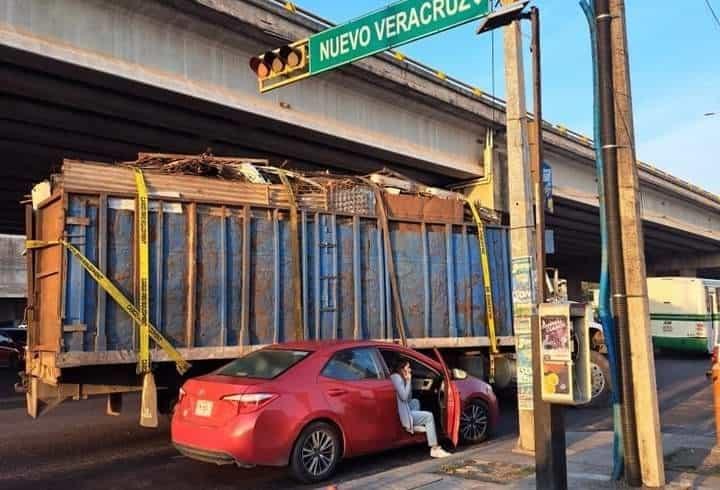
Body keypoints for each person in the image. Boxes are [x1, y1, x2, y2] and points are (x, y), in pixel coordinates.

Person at [390, 359, 451, 459]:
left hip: (404, 408)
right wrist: (409, 381)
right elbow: (404, 397)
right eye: (408, 367)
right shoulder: (396, 378)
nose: (410, 370)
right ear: (402, 369)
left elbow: (408, 398)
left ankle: (415, 425)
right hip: (404, 414)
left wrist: (406, 381)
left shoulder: (399, 377)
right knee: (429, 416)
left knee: (415, 401)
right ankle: (434, 449)